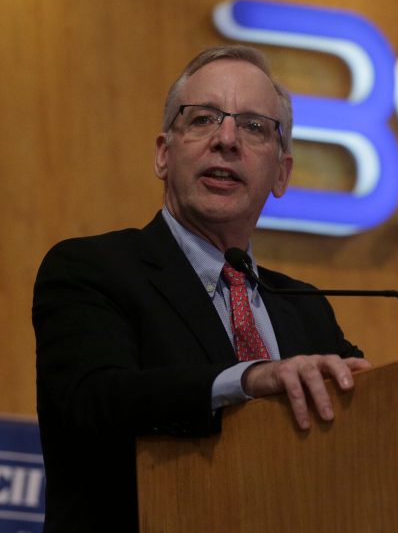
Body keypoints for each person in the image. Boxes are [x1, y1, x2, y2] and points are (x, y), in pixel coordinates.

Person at [32, 45, 371, 532]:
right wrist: (246, 379)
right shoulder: (92, 269)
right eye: (203, 119)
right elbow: (93, 401)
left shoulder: (306, 310)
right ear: (163, 155)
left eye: (254, 127)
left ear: (281, 174)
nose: (226, 140)